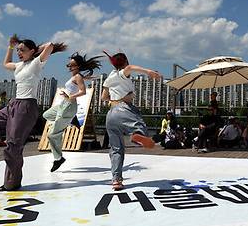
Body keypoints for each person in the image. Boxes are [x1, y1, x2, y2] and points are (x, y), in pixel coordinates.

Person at [0, 35, 66, 191]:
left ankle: (11, 183)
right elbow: (5, 64)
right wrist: (10, 47)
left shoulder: (36, 63)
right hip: (14, 104)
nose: (19, 53)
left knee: (12, 147)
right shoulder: (19, 65)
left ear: (32, 51)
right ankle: (16, 136)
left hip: (26, 106)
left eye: (22, 50)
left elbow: (51, 45)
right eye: (18, 50)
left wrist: (35, 52)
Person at [102, 51, 160, 191]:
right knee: (139, 124)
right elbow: (130, 68)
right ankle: (136, 135)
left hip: (110, 115)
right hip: (124, 109)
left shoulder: (109, 77)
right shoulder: (123, 73)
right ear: (125, 61)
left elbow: (104, 97)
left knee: (116, 149)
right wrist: (149, 72)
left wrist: (116, 99)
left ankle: (116, 180)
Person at [43, 52, 102, 172]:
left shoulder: (78, 77)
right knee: (46, 115)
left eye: (72, 65)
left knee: (51, 135)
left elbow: (83, 91)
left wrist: (70, 96)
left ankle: (58, 158)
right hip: (63, 105)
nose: (69, 67)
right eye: (68, 65)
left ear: (78, 66)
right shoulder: (75, 76)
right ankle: (71, 120)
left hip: (69, 105)